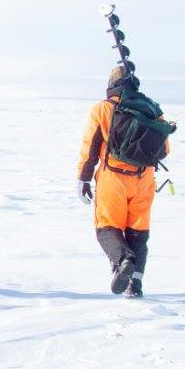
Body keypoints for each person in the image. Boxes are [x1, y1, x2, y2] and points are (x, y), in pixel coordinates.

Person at [76, 66, 169, 298]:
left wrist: (84, 178)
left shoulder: (103, 109)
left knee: (107, 228)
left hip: (113, 178)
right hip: (144, 179)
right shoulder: (152, 108)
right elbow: (164, 149)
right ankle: (135, 285)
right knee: (138, 231)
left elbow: (91, 147)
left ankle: (122, 261)